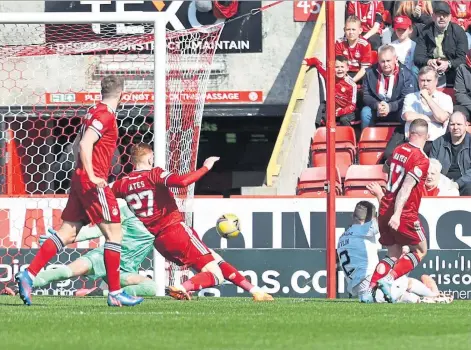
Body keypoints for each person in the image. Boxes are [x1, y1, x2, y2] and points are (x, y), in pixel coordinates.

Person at [15, 76, 143, 307]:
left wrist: (81, 173)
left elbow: (76, 145)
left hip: (80, 179)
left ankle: (30, 274)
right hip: (92, 182)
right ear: (123, 95)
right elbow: (84, 144)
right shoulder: (105, 115)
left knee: (68, 233)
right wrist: (92, 175)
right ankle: (114, 293)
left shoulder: (91, 111)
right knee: (114, 235)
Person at [110, 143, 273, 302]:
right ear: (150, 158)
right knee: (216, 275)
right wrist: (206, 167)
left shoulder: (122, 184)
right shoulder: (154, 174)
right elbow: (182, 182)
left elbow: (104, 194)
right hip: (176, 231)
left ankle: (255, 291)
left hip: (160, 242)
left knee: (214, 258)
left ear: (132, 161)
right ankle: (182, 287)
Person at [362, 118, 430, 303]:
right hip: (404, 212)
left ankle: (368, 292)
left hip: (384, 206)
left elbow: (386, 167)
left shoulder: (399, 149)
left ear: (410, 133)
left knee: (393, 252)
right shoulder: (421, 159)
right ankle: (389, 279)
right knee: (421, 250)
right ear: (427, 136)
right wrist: (398, 214)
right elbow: (406, 187)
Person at [337, 200, 452, 303]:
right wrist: (380, 196)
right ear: (372, 218)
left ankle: (422, 300)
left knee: (401, 295)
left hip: (362, 293)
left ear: (353, 216)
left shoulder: (342, 237)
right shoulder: (366, 228)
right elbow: (387, 219)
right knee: (407, 282)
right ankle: (434, 295)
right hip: (371, 285)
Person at [361, 44, 417, 129]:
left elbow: (407, 98)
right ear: (378, 60)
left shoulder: (407, 74)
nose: (386, 64)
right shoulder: (369, 73)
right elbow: (366, 95)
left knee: (408, 114)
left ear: (396, 59)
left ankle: (404, 138)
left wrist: (390, 107)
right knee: (365, 112)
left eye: (388, 60)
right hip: (377, 109)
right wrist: (377, 105)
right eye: (382, 61)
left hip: (398, 109)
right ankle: (366, 140)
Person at [414, 1, 468, 87]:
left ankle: (460, 96)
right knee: (415, 69)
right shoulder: (425, 32)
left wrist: (448, 64)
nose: (442, 17)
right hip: (431, 67)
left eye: (445, 15)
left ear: (450, 17)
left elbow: (462, 59)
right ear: (433, 16)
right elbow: (418, 57)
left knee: (462, 68)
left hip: (452, 67)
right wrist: (429, 61)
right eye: (439, 15)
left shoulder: (459, 31)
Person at [304, 55, 357, 125]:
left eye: (342, 67)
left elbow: (352, 106)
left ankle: (346, 135)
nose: (339, 69)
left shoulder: (352, 85)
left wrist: (342, 111)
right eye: (337, 67)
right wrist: (307, 61)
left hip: (346, 111)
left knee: (344, 119)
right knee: (323, 113)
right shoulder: (329, 75)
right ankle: (320, 132)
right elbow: (317, 62)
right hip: (332, 108)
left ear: (347, 68)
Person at [429, 111, 471, 195]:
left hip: (466, 183)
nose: (455, 127)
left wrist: (458, 184)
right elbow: (432, 166)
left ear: (466, 125)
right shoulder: (438, 143)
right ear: (448, 126)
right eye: (452, 124)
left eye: (459, 124)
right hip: (443, 182)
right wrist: (443, 182)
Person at [335, 15, 372, 83]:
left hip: (359, 74)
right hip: (344, 73)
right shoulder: (339, 43)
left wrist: (351, 81)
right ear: (344, 30)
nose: (351, 32)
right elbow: (339, 64)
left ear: (360, 30)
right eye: (348, 29)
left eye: (353, 29)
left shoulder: (365, 45)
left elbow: (364, 69)